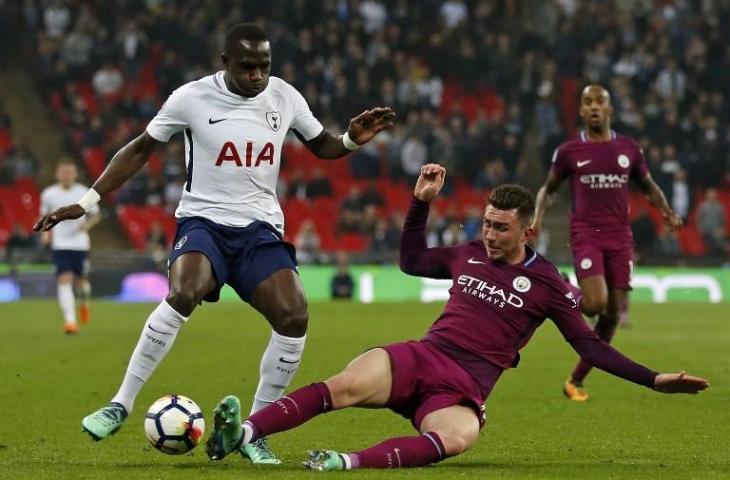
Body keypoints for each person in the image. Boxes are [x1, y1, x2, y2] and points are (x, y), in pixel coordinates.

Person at [34, 23, 395, 464]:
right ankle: (120, 404)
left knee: (295, 315)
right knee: (185, 290)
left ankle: (255, 432)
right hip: (203, 221)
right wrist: (87, 201)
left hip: (259, 229)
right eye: (247, 67)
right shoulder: (191, 98)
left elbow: (322, 146)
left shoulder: (284, 96)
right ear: (225, 63)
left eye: (264, 66)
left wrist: (351, 139)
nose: (257, 75)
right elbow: (141, 148)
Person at [203, 164, 708, 469]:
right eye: (487, 224)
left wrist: (653, 378)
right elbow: (411, 261)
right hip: (423, 357)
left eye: (501, 229)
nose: (489, 235)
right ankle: (242, 434)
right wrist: (419, 206)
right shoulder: (467, 253)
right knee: (344, 385)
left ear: (527, 231)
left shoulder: (549, 284)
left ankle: (345, 463)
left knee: (458, 439)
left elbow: (590, 346)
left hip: (463, 388)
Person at [532, 85, 683, 402]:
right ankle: (564, 287)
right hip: (586, 233)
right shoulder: (569, 152)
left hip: (620, 237)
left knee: (612, 314)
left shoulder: (629, 149)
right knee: (594, 304)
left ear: (610, 108)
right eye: (587, 102)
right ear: (582, 111)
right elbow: (548, 189)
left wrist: (666, 211)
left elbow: (649, 186)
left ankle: (575, 381)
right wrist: (537, 218)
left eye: (600, 101)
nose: (594, 107)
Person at [40, 159, 100, 334]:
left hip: (80, 245)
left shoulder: (84, 192)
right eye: (63, 172)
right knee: (64, 279)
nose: (66, 176)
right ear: (57, 175)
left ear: (75, 174)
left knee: (82, 283)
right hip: (61, 245)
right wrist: (45, 234)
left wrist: (86, 226)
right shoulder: (49, 194)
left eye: (69, 172)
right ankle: (70, 322)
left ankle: (84, 303)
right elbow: (44, 216)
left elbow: (96, 215)